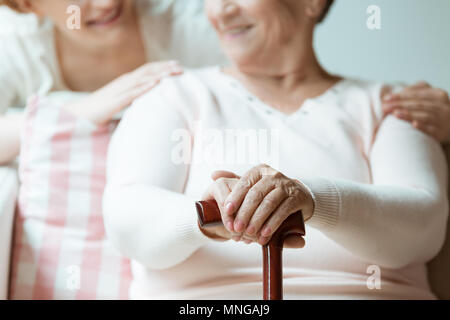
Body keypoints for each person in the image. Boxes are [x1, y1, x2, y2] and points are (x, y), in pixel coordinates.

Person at [103, 0, 449, 299]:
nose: (221, 10)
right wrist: (210, 213)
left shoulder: (392, 104)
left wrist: (311, 200)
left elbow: (423, 226)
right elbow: (125, 218)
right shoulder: (173, 95)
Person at [0, 0, 227, 164]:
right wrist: (82, 112)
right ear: (29, 5)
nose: (107, 3)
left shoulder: (187, 23)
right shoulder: (14, 40)